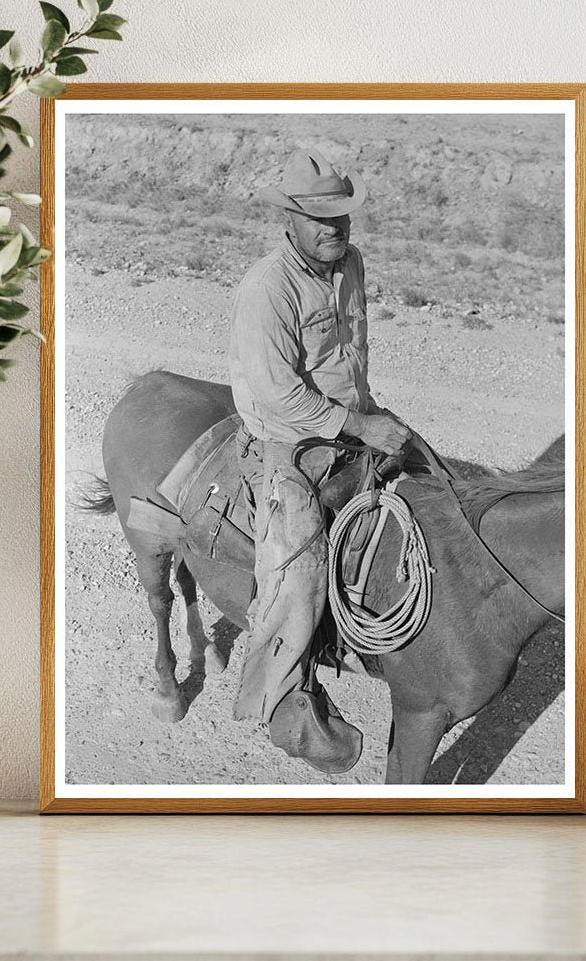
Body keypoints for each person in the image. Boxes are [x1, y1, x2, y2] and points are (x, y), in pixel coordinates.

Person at [228, 147, 410, 773]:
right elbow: (279, 392)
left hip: (351, 417)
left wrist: (369, 414)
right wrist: (358, 425)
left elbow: (351, 354)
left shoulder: (350, 262)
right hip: (288, 438)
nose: (334, 228)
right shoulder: (267, 288)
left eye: (341, 216)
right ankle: (284, 706)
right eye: (319, 218)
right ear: (290, 219)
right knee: (298, 568)